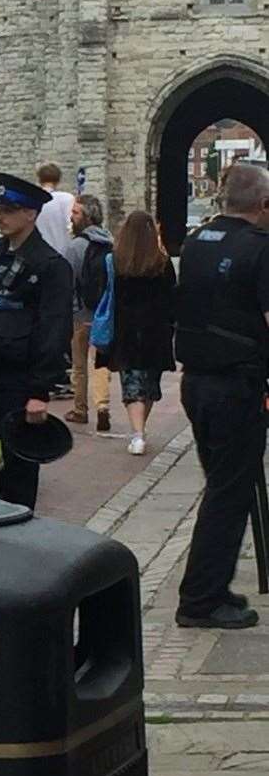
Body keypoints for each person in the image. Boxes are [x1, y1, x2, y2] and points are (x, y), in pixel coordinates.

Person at [173, 163, 269, 630]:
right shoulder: (259, 249)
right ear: (263, 205)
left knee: (222, 487)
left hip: (197, 380)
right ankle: (200, 599)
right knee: (229, 493)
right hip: (237, 384)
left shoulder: (196, 243)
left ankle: (209, 585)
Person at [0, 173, 74, 511]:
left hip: (19, 384)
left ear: (31, 215)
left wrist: (40, 391)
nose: (0, 217)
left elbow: (53, 330)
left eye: (9, 210)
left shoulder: (51, 266)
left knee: (18, 476)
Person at [96, 210, 176, 457]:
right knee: (149, 383)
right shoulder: (162, 263)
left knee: (132, 384)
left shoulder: (115, 261)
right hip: (156, 331)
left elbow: (103, 293)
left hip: (126, 329)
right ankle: (140, 430)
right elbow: (172, 298)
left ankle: (138, 433)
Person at [65, 194, 113, 433]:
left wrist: (71, 311)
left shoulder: (74, 247)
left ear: (85, 217)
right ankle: (103, 406)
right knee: (100, 363)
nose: (71, 217)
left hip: (81, 314)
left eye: (75, 213)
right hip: (104, 314)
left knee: (80, 365)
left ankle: (80, 409)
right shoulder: (110, 242)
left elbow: (68, 282)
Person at [34, 162, 75, 259]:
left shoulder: (33, 200)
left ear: (39, 179)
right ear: (58, 180)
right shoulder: (67, 199)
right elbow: (72, 227)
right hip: (64, 254)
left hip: (39, 256)